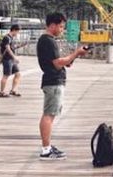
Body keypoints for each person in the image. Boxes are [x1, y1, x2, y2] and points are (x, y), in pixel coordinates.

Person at [36, 12, 88, 160]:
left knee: (49, 114)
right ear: (52, 25)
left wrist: (73, 57)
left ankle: (47, 147)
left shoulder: (47, 40)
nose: (62, 30)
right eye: (61, 26)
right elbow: (58, 63)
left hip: (52, 81)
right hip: (53, 82)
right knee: (49, 115)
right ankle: (46, 150)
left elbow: (60, 62)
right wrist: (76, 53)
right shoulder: (48, 41)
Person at [0, 24, 22, 98]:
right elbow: (8, 49)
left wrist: (18, 46)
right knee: (6, 75)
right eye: (18, 32)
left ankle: (13, 90)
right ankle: (2, 92)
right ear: (14, 30)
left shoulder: (10, 38)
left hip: (11, 59)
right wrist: (14, 57)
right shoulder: (7, 37)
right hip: (7, 59)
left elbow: (10, 48)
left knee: (17, 74)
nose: (18, 34)